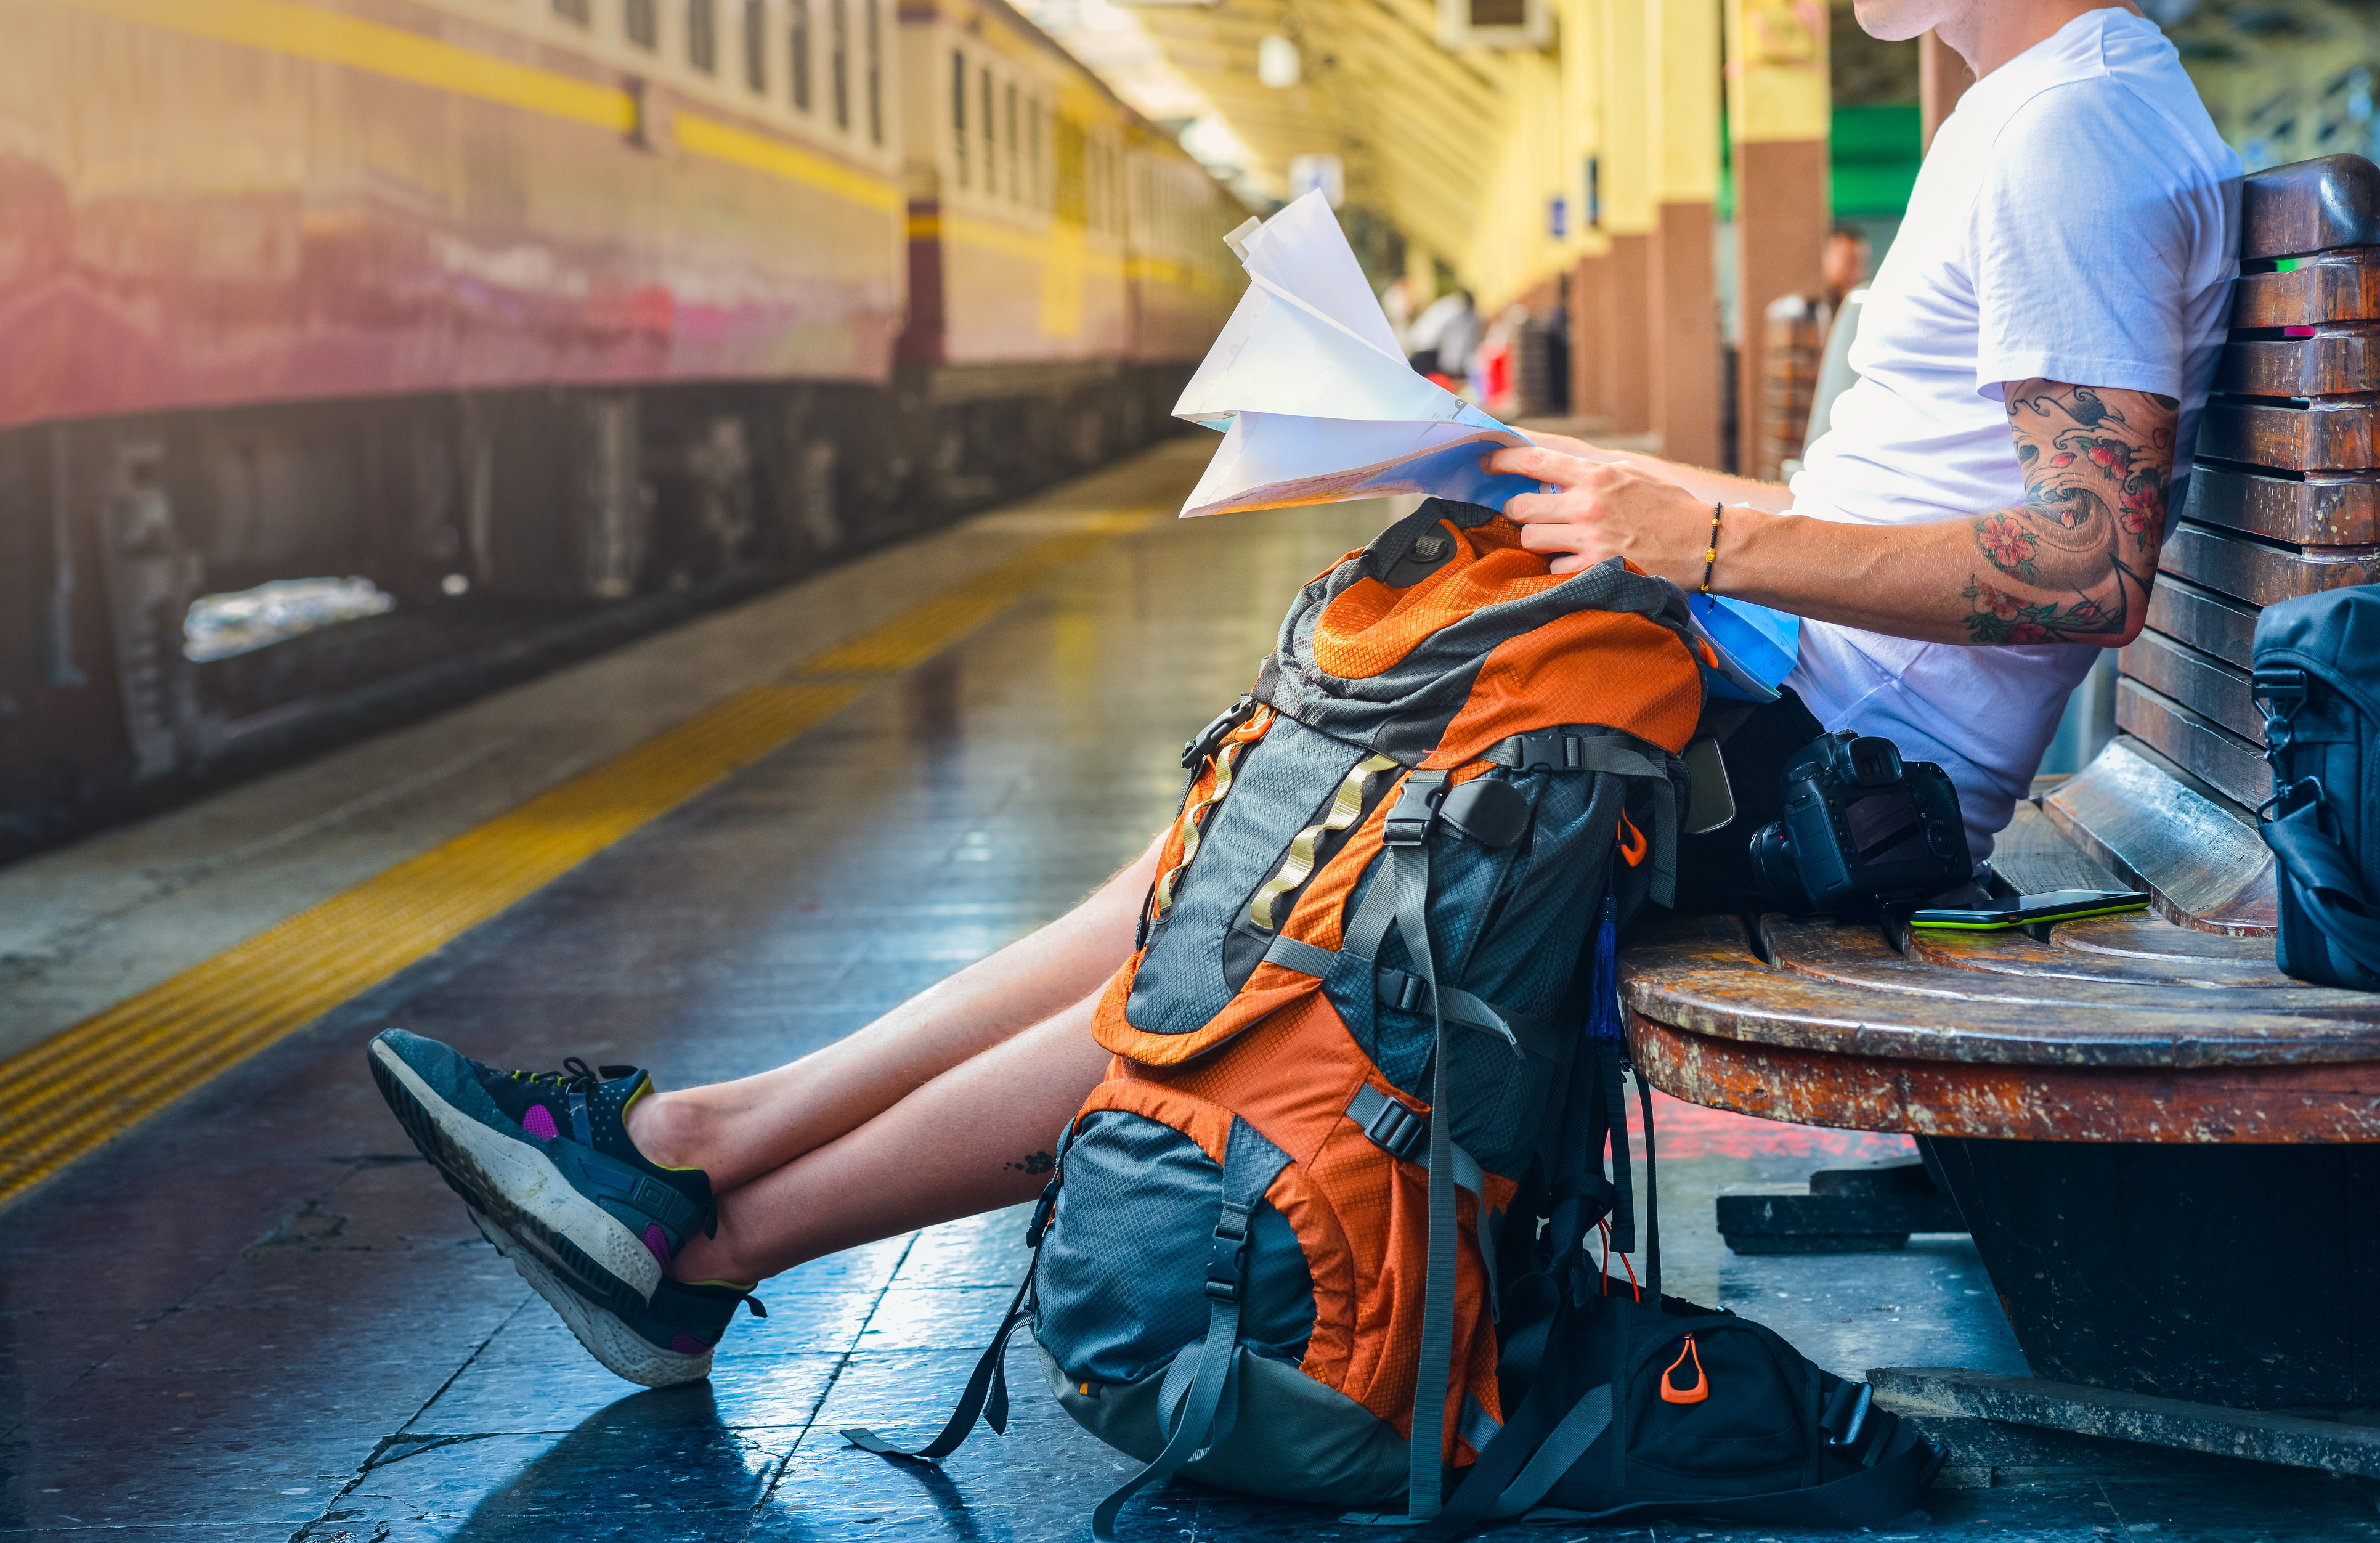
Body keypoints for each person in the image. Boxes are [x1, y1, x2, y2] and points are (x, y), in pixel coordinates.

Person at [368, 0, 2238, 1383]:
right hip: (1771, 713)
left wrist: (1697, 541)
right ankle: (692, 1149)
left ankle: (709, 1226)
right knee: (1206, 864)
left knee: (1258, 926)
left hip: (1819, 780)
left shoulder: (2066, 134)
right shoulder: (2044, 115)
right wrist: (1556, 473)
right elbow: (1902, 515)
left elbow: (2082, 561)